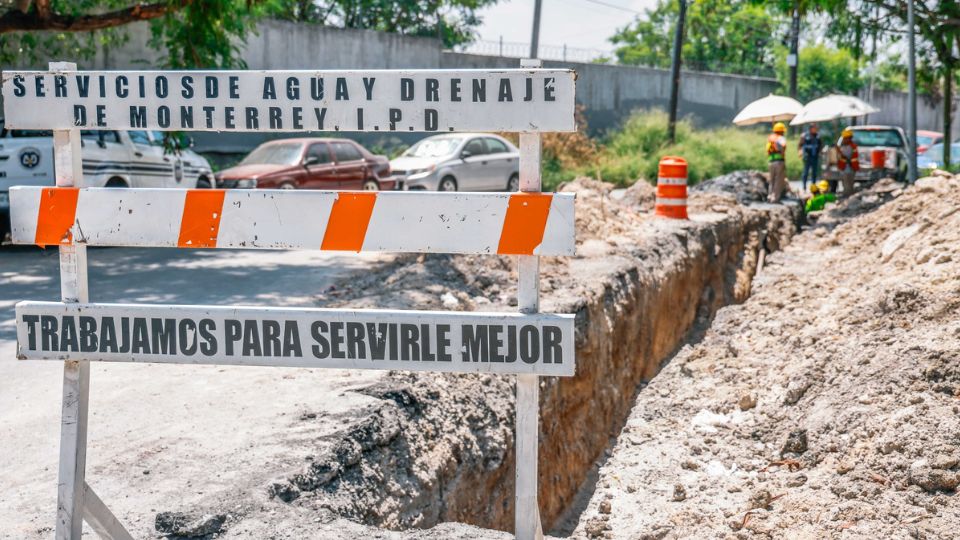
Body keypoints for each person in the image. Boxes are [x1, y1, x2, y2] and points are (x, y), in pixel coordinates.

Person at [766, 122, 788, 203]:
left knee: (771, 180)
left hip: (771, 161)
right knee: (778, 180)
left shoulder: (770, 138)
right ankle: (775, 198)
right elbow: (782, 147)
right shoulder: (781, 138)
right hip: (779, 161)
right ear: (781, 131)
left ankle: (769, 196)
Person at [798, 123, 823, 190]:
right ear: (810, 128)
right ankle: (804, 187)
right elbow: (800, 145)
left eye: (816, 128)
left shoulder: (818, 136)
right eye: (814, 128)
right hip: (807, 156)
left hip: (815, 156)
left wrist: (820, 152)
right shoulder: (804, 136)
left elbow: (820, 145)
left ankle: (813, 187)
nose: (815, 129)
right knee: (806, 172)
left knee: (814, 173)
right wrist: (800, 152)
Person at [836, 128, 860, 197]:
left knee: (848, 184)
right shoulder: (846, 146)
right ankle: (848, 196)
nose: (843, 140)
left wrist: (839, 150)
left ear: (849, 138)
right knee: (846, 183)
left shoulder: (850, 147)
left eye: (845, 138)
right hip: (845, 168)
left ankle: (848, 197)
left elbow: (845, 156)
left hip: (850, 168)